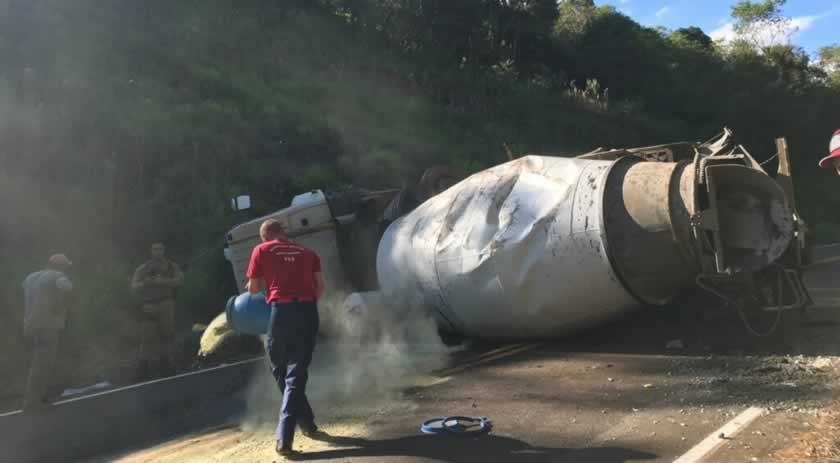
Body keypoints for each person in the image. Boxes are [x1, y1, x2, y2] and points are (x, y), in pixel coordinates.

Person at [246, 219, 326, 458]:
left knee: (282, 370)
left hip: (281, 314)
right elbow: (320, 287)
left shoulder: (261, 250)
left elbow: (252, 289)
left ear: (265, 237)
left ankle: (284, 436)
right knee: (297, 371)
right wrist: (306, 305)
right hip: (308, 311)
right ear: (284, 233)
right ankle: (308, 424)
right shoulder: (308, 252)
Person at [22, 254, 74, 411]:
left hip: (30, 325)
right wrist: (60, 306)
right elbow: (69, 290)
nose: (67, 268)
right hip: (48, 325)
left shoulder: (31, 277)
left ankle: (39, 397)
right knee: (43, 364)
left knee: (39, 362)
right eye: (66, 266)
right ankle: (33, 402)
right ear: (61, 266)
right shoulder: (58, 276)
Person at [131, 242, 183, 379]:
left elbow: (179, 281)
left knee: (167, 336)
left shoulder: (172, 266)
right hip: (149, 305)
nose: (158, 252)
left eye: (160, 249)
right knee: (147, 337)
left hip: (166, 303)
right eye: (155, 249)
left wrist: (164, 281)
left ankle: (166, 365)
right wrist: (145, 282)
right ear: (151, 251)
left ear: (164, 250)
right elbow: (134, 285)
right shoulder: (143, 268)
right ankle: (143, 369)